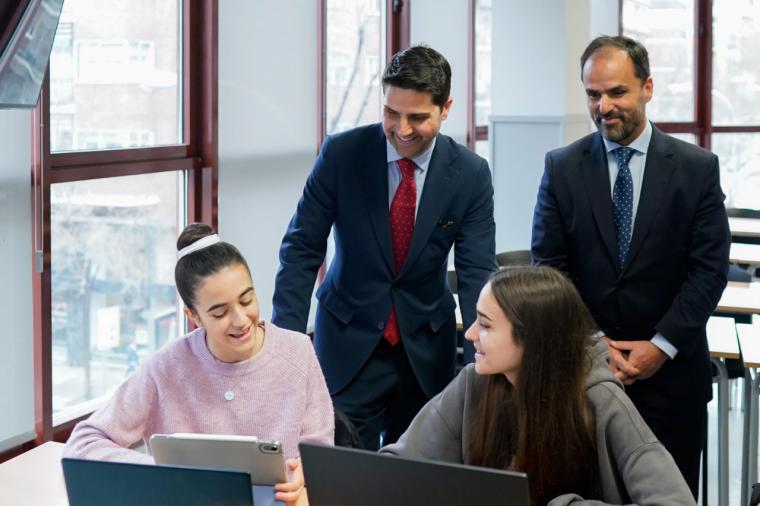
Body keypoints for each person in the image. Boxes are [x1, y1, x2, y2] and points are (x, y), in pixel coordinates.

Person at [531, 35, 730, 497]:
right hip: (583, 380)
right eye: (592, 94)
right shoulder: (562, 167)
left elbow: (708, 270)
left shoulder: (696, 168)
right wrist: (596, 346)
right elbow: (551, 268)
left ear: (647, 88)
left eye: (616, 92)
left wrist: (660, 345)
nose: (603, 106)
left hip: (671, 381)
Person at [272, 45, 496, 450]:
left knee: (416, 479)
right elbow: (302, 248)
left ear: (446, 108)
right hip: (346, 344)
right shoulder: (342, 155)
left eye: (417, 117)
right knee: (338, 472)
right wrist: (284, 348)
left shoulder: (470, 174)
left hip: (425, 352)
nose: (402, 129)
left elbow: (477, 272)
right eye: (392, 113)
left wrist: (481, 366)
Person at [64, 223, 335, 506]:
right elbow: (83, 443)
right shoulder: (165, 368)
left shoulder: (297, 351)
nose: (241, 320)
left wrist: (304, 474)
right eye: (219, 313)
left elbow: (321, 456)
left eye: (247, 299)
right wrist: (161, 471)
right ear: (193, 315)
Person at [381, 266, 695, 506]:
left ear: (531, 338)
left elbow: (674, 501)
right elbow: (400, 465)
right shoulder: (475, 381)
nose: (470, 333)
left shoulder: (600, 397)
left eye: (486, 324)